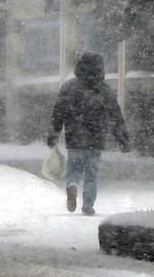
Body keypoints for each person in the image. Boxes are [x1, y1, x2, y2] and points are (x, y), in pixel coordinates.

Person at [47, 51, 130, 216]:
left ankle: (72, 185)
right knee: (92, 174)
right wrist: (122, 138)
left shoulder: (69, 87)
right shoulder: (104, 90)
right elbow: (116, 114)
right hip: (96, 139)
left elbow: (59, 112)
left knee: (74, 169)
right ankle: (88, 206)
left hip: (74, 138)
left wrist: (54, 132)